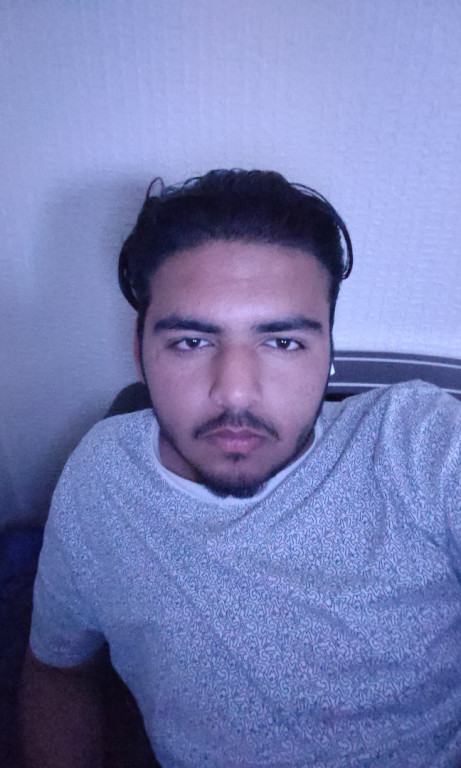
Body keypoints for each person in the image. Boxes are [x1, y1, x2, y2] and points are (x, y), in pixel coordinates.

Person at [22, 170, 461, 768]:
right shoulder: (101, 479)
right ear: (140, 350)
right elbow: (57, 671)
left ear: (328, 351)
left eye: (282, 343)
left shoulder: (415, 444)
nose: (234, 392)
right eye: (191, 342)